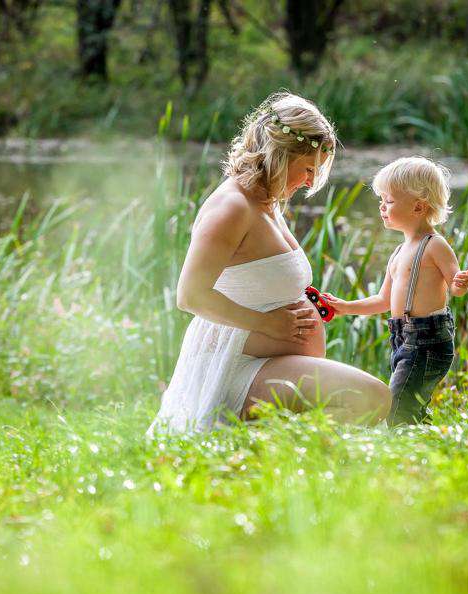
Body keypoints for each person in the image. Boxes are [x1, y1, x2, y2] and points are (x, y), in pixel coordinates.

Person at [147, 92, 391, 436]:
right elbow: (190, 296)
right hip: (234, 371)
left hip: (264, 366)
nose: (309, 182)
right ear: (281, 154)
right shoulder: (231, 207)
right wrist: (268, 324)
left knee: (370, 399)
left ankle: (267, 454)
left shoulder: (267, 202)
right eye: (308, 169)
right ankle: (259, 450)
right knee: (371, 398)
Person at [325, 157, 468, 426]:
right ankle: (425, 447)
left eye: (389, 201)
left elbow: (455, 286)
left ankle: (406, 456)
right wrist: (345, 307)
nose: (382, 207)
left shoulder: (434, 245)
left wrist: (460, 283)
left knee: (397, 409)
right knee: (410, 407)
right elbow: (383, 300)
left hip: (428, 340)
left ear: (418, 206)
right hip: (402, 339)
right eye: (381, 200)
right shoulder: (397, 252)